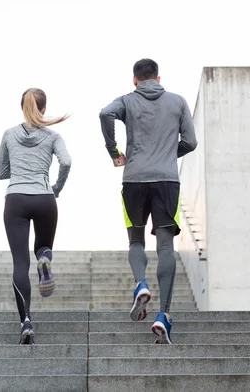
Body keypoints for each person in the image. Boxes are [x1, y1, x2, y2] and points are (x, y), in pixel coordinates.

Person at [99, 59, 197, 344]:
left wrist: (113, 151)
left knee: (136, 241)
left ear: (135, 80)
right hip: (167, 181)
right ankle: (163, 315)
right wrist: (167, 153)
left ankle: (140, 284)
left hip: (133, 180)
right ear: (158, 77)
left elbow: (105, 114)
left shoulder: (127, 101)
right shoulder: (177, 102)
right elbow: (190, 142)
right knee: (166, 246)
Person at [0, 88, 71, 344]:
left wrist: (20, 169)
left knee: (20, 264)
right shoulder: (53, 136)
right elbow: (66, 162)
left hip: (16, 198)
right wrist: (56, 188)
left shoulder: (9, 134)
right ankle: (45, 258)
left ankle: (26, 321)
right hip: (44, 198)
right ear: (44, 109)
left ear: (22, 108)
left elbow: (1, 172)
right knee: (42, 247)